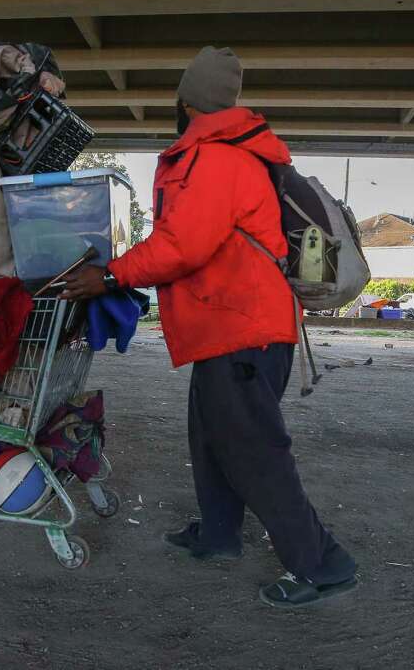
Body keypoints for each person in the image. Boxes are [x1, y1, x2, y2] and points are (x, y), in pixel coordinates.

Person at [59, 46, 357, 608]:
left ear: (186, 101)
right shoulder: (229, 153)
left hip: (243, 327)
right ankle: (219, 534)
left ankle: (324, 565)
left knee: (254, 449)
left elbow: (183, 244)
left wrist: (112, 275)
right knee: (212, 434)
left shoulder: (216, 158)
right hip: (233, 327)